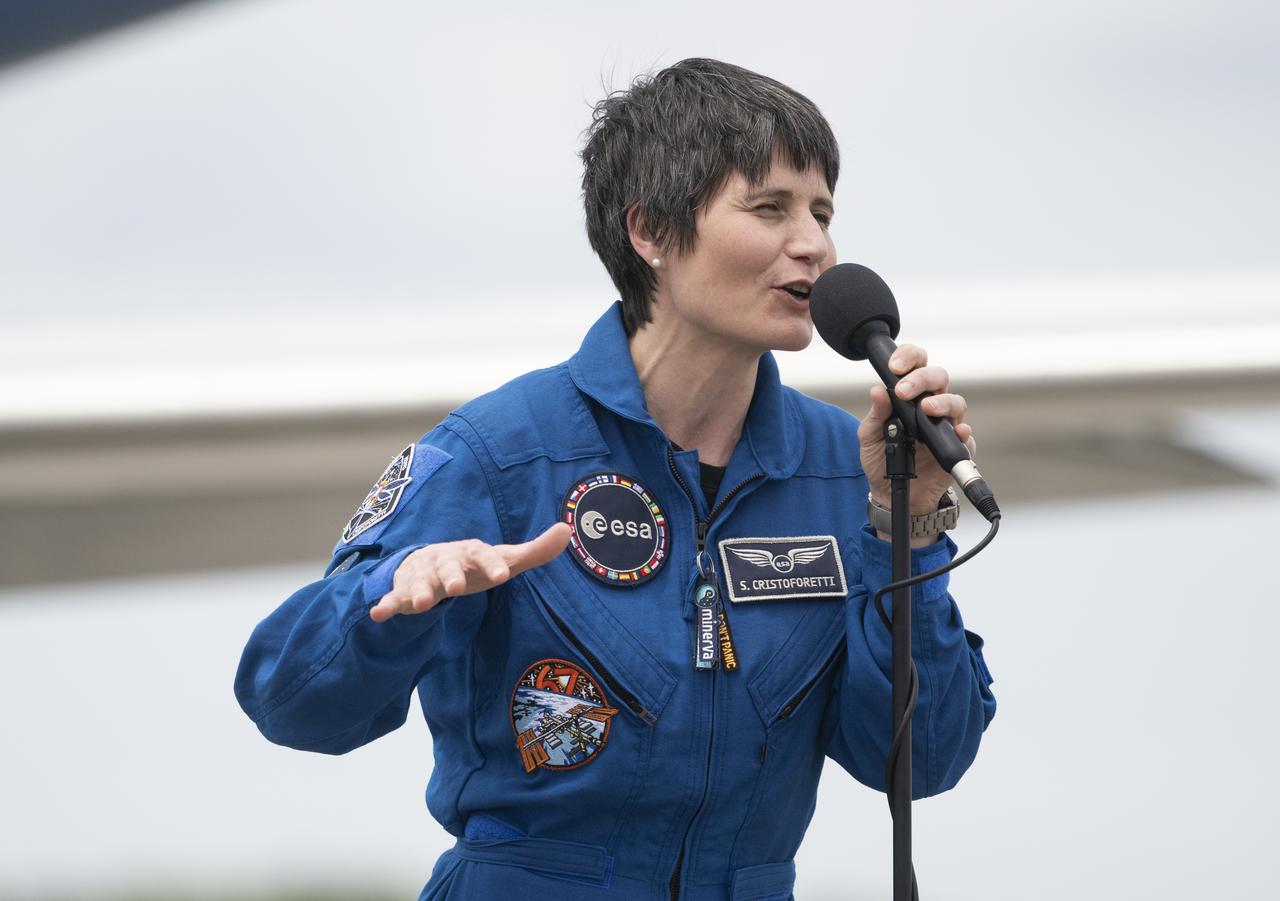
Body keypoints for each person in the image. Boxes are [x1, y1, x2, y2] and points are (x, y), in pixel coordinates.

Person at [235, 57, 996, 900]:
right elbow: (290, 701)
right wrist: (390, 596)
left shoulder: (848, 463)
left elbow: (925, 760)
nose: (814, 242)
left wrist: (909, 520)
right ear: (651, 233)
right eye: (770, 207)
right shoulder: (499, 453)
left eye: (822, 211)